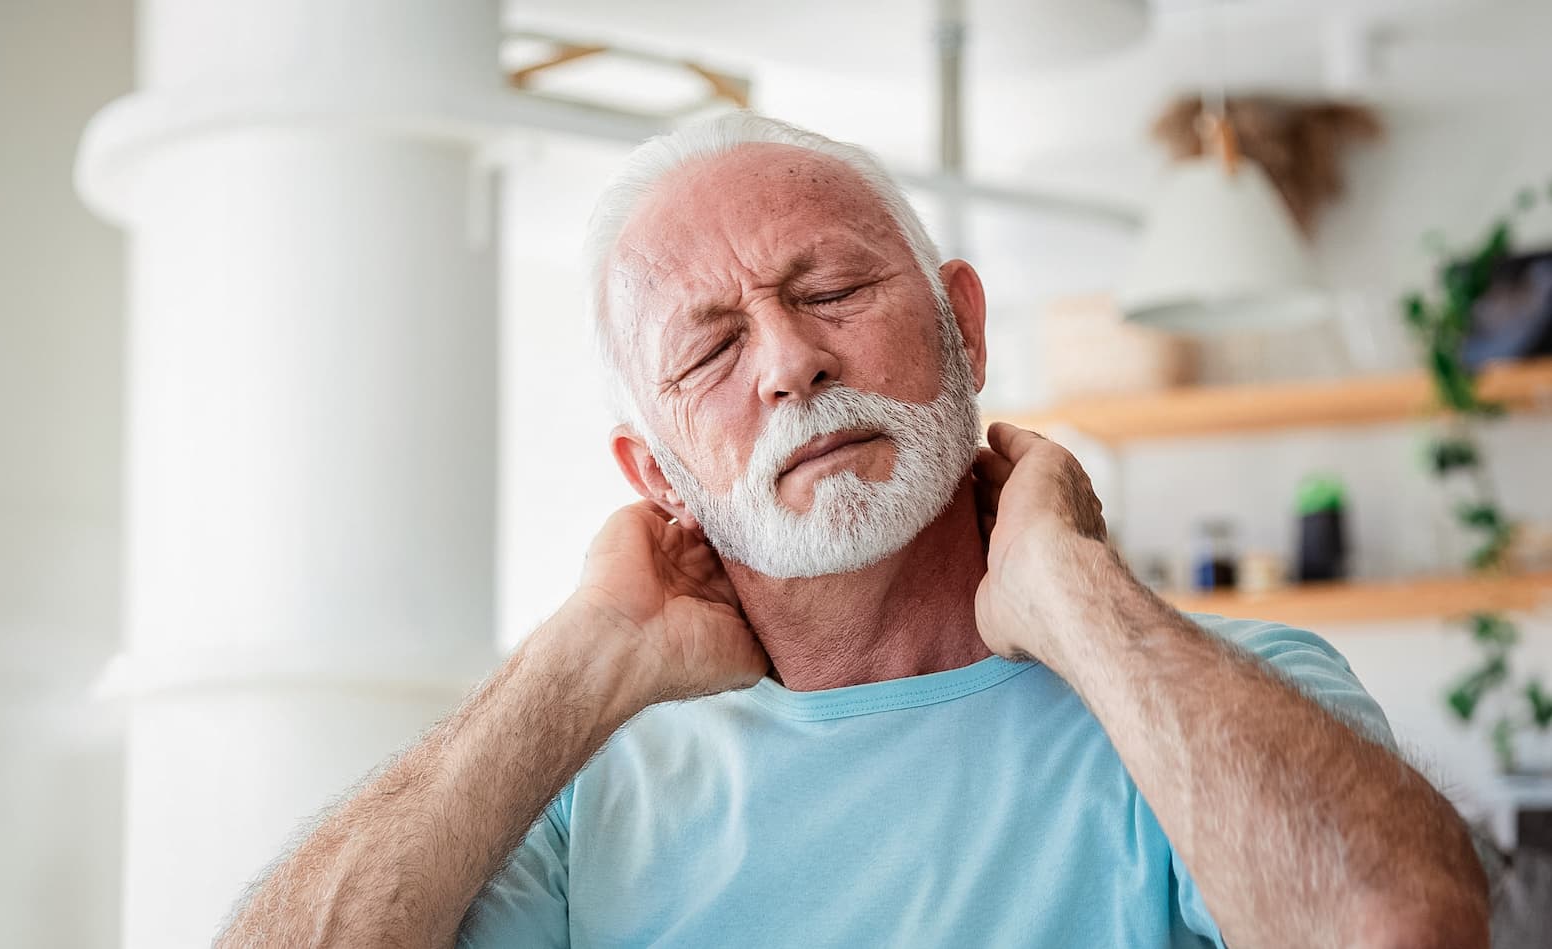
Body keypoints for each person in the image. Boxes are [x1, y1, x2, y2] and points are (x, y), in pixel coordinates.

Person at [218, 113, 1488, 948]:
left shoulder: (1235, 697)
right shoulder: (583, 793)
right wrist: (575, 662)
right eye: (709, 348)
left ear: (964, 330)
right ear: (652, 472)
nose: (788, 364)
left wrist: (1075, 595)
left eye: (831, 291)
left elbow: (1402, 928)